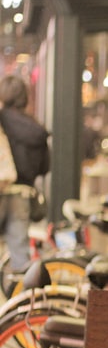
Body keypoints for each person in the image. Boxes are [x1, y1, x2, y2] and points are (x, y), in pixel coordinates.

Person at [0, 75, 50, 275]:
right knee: (20, 254)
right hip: (23, 194)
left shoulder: (2, 120)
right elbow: (45, 167)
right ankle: (20, 297)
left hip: (3, 187)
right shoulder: (36, 128)